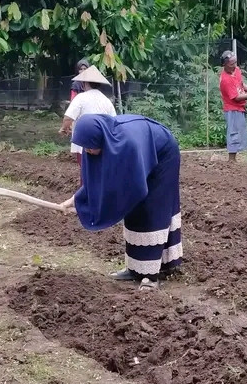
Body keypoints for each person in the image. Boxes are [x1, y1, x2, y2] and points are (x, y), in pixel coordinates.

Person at [58, 114, 182, 290]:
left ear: (100, 139)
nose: (87, 151)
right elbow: (96, 179)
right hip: (140, 152)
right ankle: (135, 269)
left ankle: (151, 275)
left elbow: (125, 184)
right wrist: (76, 200)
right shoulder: (97, 144)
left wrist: (99, 206)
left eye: (90, 147)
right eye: (84, 147)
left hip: (163, 155)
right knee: (133, 211)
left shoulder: (127, 145)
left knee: (151, 209)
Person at [60, 64, 116, 174]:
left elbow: (68, 118)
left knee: (86, 172)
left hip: (84, 142)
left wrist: (64, 129)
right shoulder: (106, 101)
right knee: (99, 171)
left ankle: (86, 185)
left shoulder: (81, 98)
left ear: (85, 83)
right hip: (102, 142)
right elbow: (114, 122)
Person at [218, 50, 247, 163]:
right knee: (233, 133)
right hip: (232, 109)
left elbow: (241, 85)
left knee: (239, 133)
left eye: (235, 62)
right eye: (231, 64)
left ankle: (233, 159)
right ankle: (231, 160)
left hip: (239, 108)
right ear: (224, 65)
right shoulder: (225, 80)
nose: (234, 66)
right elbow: (236, 97)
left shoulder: (237, 70)